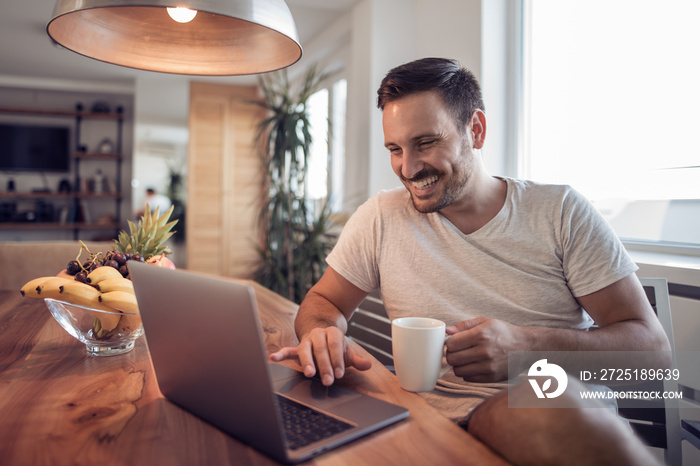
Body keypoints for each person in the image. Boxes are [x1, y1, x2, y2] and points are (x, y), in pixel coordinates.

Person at [270, 58, 670, 464]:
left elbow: (653, 354)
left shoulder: (560, 211)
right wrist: (322, 332)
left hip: (549, 419)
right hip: (422, 427)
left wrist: (525, 346)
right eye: (395, 149)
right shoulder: (381, 217)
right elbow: (325, 303)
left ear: (475, 130)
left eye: (425, 143)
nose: (407, 169)